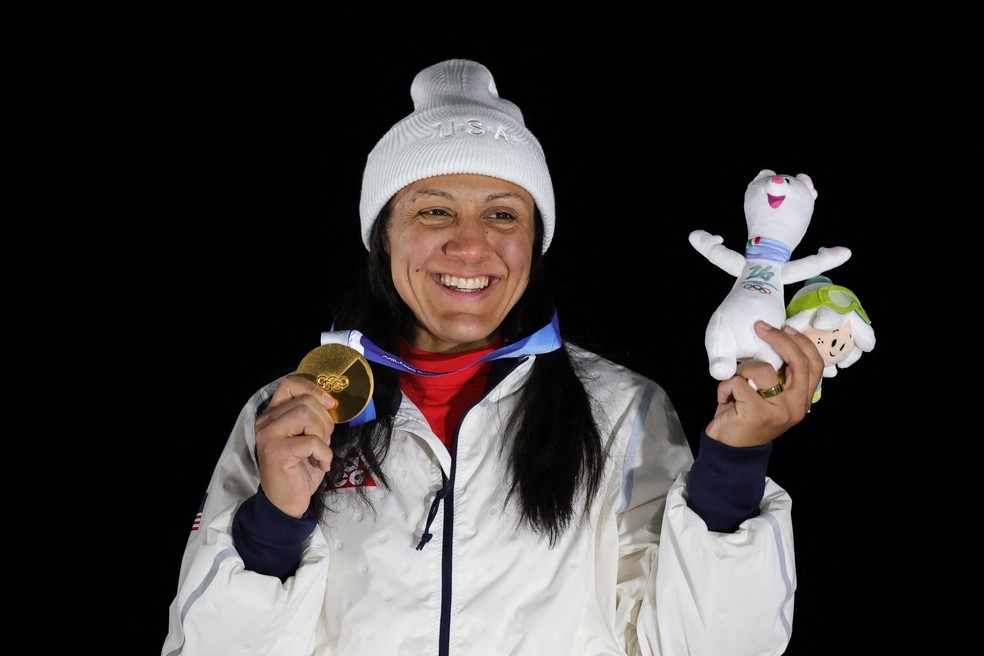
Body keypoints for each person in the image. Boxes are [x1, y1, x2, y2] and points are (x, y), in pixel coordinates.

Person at [161, 58, 823, 656]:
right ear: (383, 236)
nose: (471, 247)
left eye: (503, 216)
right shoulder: (290, 414)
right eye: (435, 212)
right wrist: (274, 521)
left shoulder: (625, 413)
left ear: (535, 243)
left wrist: (735, 464)